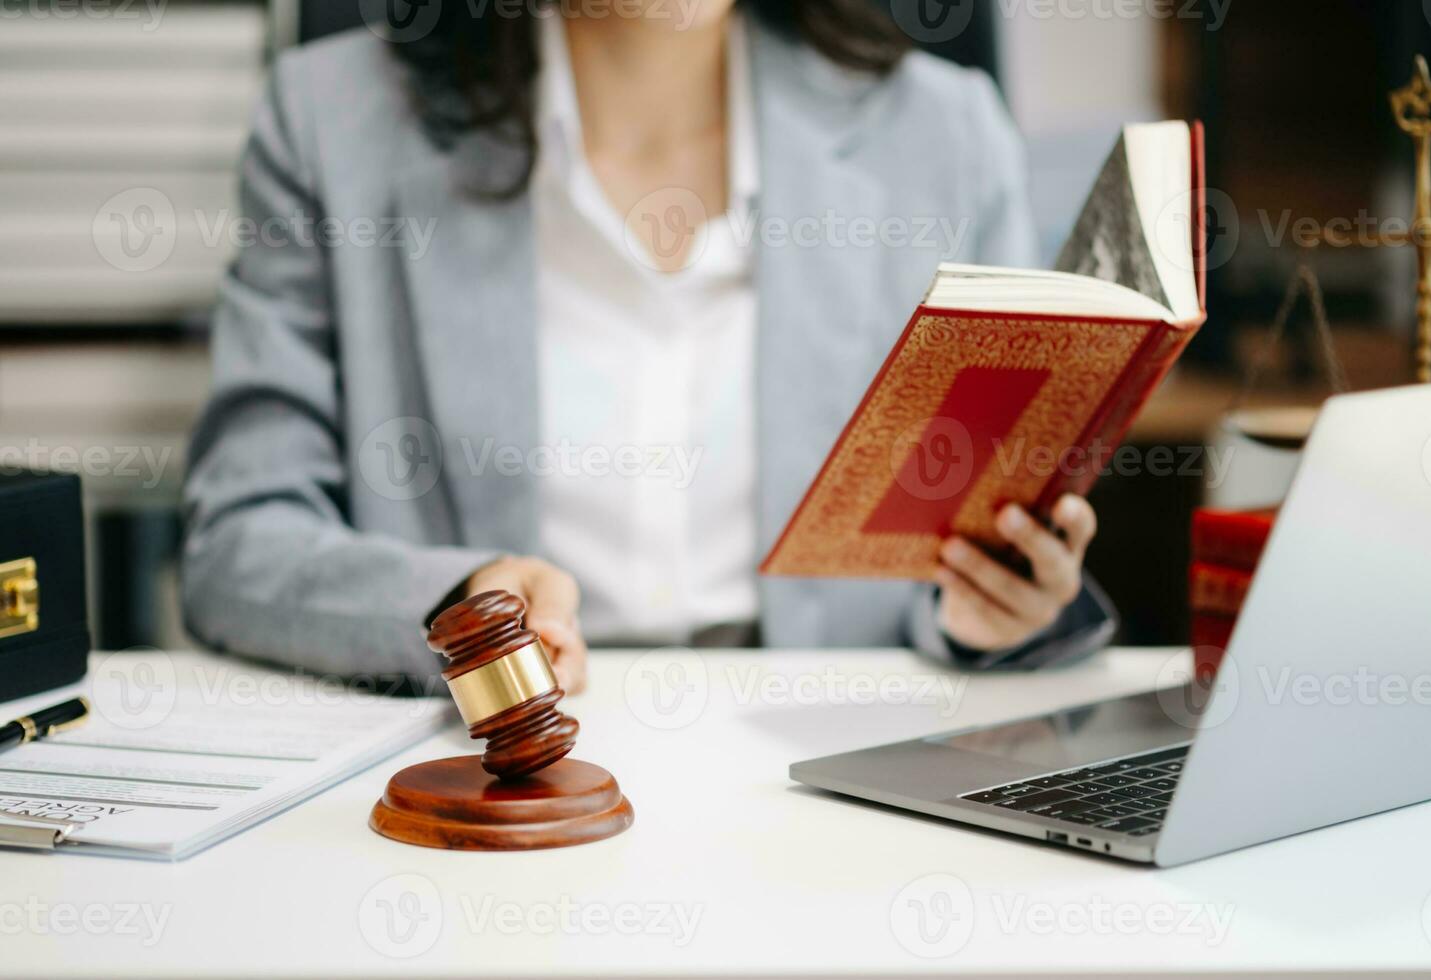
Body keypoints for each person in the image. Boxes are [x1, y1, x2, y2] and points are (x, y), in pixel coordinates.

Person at [181, 0, 1115, 694]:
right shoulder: (327, 122)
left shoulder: (947, 136)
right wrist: (459, 600)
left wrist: (997, 609)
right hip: (498, 789)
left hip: (836, 791)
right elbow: (236, 549)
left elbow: (968, 554)